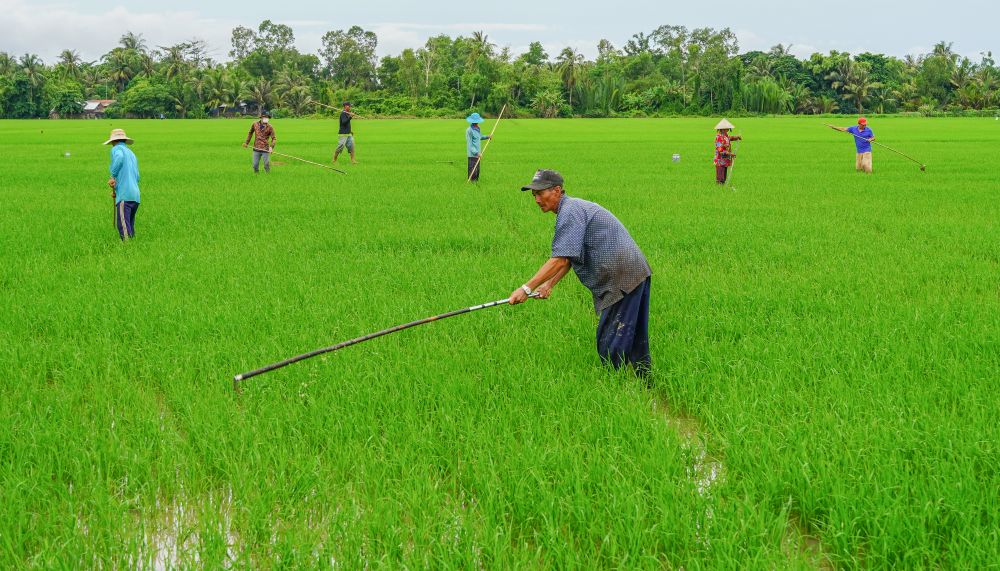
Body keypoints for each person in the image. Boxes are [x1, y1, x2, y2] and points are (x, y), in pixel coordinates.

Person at [509, 169, 652, 376]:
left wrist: (526, 288)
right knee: (633, 337)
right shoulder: (572, 208)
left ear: (557, 191)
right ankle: (644, 383)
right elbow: (570, 256)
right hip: (632, 271)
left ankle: (615, 386)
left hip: (622, 276)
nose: (537, 199)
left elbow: (559, 259)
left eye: (541, 193)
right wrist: (549, 284)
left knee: (610, 341)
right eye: (534, 195)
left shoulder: (569, 212)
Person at [103, 128, 140, 240]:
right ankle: (133, 247)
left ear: (114, 141)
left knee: (123, 226)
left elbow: (119, 158)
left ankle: (127, 249)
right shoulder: (131, 153)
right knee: (129, 225)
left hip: (125, 196)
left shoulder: (117, 149)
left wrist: (112, 175)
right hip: (135, 196)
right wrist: (117, 189)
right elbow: (137, 176)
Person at [713, 118, 742, 184]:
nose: (727, 130)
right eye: (726, 128)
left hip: (725, 160)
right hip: (720, 160)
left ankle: (722, 188)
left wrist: (736, 137)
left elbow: (729, 138)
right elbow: (720, 151)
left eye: (728, 128)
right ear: (722, 129)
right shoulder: (719, 137)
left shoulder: (725, 136)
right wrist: (730, 154)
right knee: (720, 178)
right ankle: (719, 188)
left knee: (724, 177)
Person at [465, 112, 491, 182]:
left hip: (478, 153)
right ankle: (471, 184)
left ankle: (475, 183)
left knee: (477, 171)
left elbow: (480, 137)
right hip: (472, 155)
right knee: (473, 171)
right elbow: (469, 144)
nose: (476, 123)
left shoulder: (478, 128)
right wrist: (476, 153)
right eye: (475, 122)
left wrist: (487, 137)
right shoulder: (469, 130)